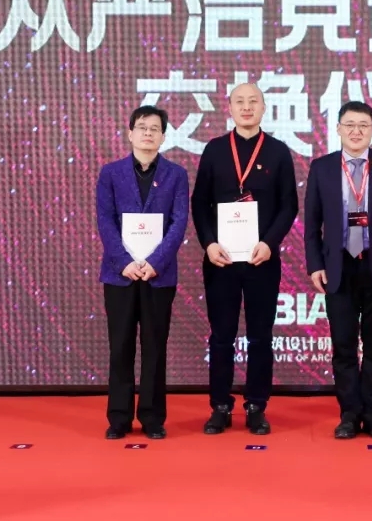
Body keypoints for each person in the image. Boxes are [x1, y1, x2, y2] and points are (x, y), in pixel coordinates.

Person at [191, 83, 298, 435]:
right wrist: (208, 243)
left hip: (261, 260)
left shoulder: (279, 151)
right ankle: (220, 406)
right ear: (230, 108)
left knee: (260, 336)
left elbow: (289, 205)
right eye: (240, 101)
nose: (247, 107)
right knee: (221, 335)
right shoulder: (215, 149)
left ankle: (256, 405)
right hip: (220, 260)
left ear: (264, 108)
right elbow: (199, 203)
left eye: (253, 101)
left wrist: (270, 243)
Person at [304, 101, 372, 440]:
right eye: (349, 124)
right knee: (344, 346)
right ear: (337, 129)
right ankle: (349, 414)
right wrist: (315, 265)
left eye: (363, 125)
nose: (356, 131)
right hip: (338, 267)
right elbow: (311, 224)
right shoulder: (321, 167)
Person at [95, 106, 190, 440]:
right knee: (120, 346)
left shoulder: (176, 174)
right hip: (119, 274)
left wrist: (155, 262)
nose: (148, 133)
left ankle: (152, 417)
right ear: (130, 133)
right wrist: (124, 261)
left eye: (154, 129)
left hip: (158, 275)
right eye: (142, 127)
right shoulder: (111, 173)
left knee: (154, 347)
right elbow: (105, 220)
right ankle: (119, 417)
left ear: (163, 137)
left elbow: (179, 222)